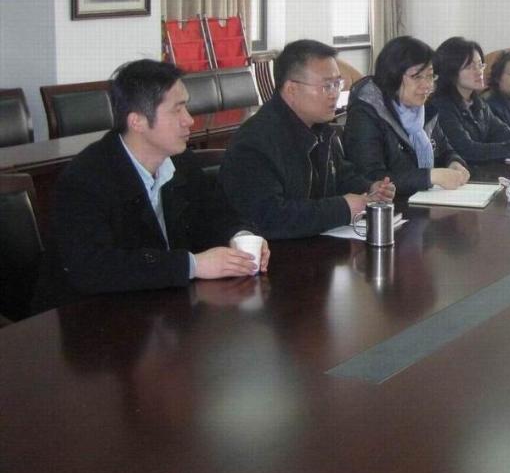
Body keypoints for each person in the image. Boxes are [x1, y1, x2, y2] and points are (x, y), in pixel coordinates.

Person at [34, 60, 269, 312]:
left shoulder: (181, 162)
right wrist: (192, 265)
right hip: (89, 316)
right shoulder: (85, 179)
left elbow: (217, 213)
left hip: (161, 307)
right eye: (177, 110)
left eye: (186, 107)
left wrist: (241, 236)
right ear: (137, 122)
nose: (189, 120)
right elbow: (92, 267)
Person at [220, 39, 394, 239]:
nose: (334, 94)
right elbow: (270, 218)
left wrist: (370, 188)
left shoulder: (320, 129)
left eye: (337, 84)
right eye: (327, 86)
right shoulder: (255, 142)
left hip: (316, 246)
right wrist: (343, 208)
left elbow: (341, 176)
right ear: (291, 90)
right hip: (276, 253)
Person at [343, 35, 470, 199]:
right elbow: (370, 177)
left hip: (422, 201)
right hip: (386, 208)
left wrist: (454, 162)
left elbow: (445, 149)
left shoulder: (423, 108)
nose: (427, 85)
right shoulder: (365, 113)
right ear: (392, 75)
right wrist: (429, 177)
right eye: (417, 77)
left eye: (430, 76)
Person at [428, 37, 510, 163]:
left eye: (480, 65)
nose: (479, 72)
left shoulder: (479, 104)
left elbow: (505, 134)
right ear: (450, 71)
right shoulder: (441, 107)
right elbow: (468, 150)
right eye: (470, 67)